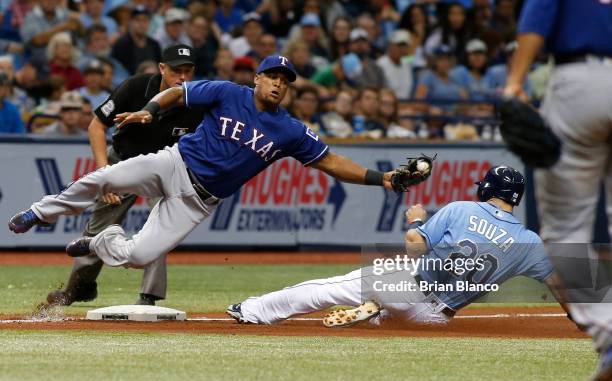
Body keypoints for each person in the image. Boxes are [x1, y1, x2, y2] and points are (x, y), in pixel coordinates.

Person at [8, 55, 418, 284]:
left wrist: (381, 178)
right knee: (105, 177)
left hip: (199, 201)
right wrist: (150, 112)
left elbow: (330, 161)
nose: (278, 83)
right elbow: (178, 92)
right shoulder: (227, 91)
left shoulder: (291, 130)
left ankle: (100, 241)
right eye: (272, 75)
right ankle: (38, 213)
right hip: (174, 163)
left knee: (139, 255)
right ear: (257, 78)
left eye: (285, 80)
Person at [226, 166, 567, 327]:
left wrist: (417, 221)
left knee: (328, 289)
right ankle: (379, 312)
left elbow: (415, 247)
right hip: (436, 319)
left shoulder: (462, 208)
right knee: (392, 309)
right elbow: (562, 286)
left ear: (487, 188)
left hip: (412, 288)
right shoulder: (529, 242)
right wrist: (580, 319)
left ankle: (255, 310)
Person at [503, 0, 612, 381]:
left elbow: (538, 19)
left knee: (566, 234)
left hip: (578, 83)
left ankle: (609, 335)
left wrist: (515, 82)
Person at [42, 45, 205, 307]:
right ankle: (78, 288)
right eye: (176, 70)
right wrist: (105, 174)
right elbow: (96, 126)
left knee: (162, 227)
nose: (182, 77)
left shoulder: (197, 101)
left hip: (166, 170)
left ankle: (148, 296)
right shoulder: (136, 87)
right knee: (97, 229)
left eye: (188, 71)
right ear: (162, 68)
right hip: (123, 162)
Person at [111, 5, 162, 75]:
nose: (141, 24)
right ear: (130, 22)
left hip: (152, 83)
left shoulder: (154, 45)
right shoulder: (121, 45)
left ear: (149, 22)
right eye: (138, 20)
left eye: (145, 20)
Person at [376, 29, 414, 100]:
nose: (402, 49)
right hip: (388, 105)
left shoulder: (407, 62)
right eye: (399, 45)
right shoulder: (380, 64)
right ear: (391, 45)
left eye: (404, 46)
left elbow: (415, 57)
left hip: (407, 104)